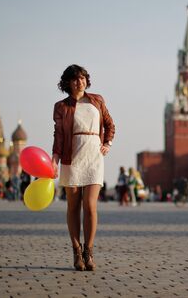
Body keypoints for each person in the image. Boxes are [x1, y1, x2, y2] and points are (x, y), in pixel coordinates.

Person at [51, 64, 115, 271]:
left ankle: (89, 251)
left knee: (90, 205)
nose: (80, 82)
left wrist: (107, 143)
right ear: (68, 83)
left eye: (83, 78)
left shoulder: (97, 100)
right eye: (75, 79)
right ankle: (76, 250)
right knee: (73, 206)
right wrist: (55, 158)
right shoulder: (61, 106)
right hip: (72, 157)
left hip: (94, 156)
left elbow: (110, 124)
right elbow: (59, 135)